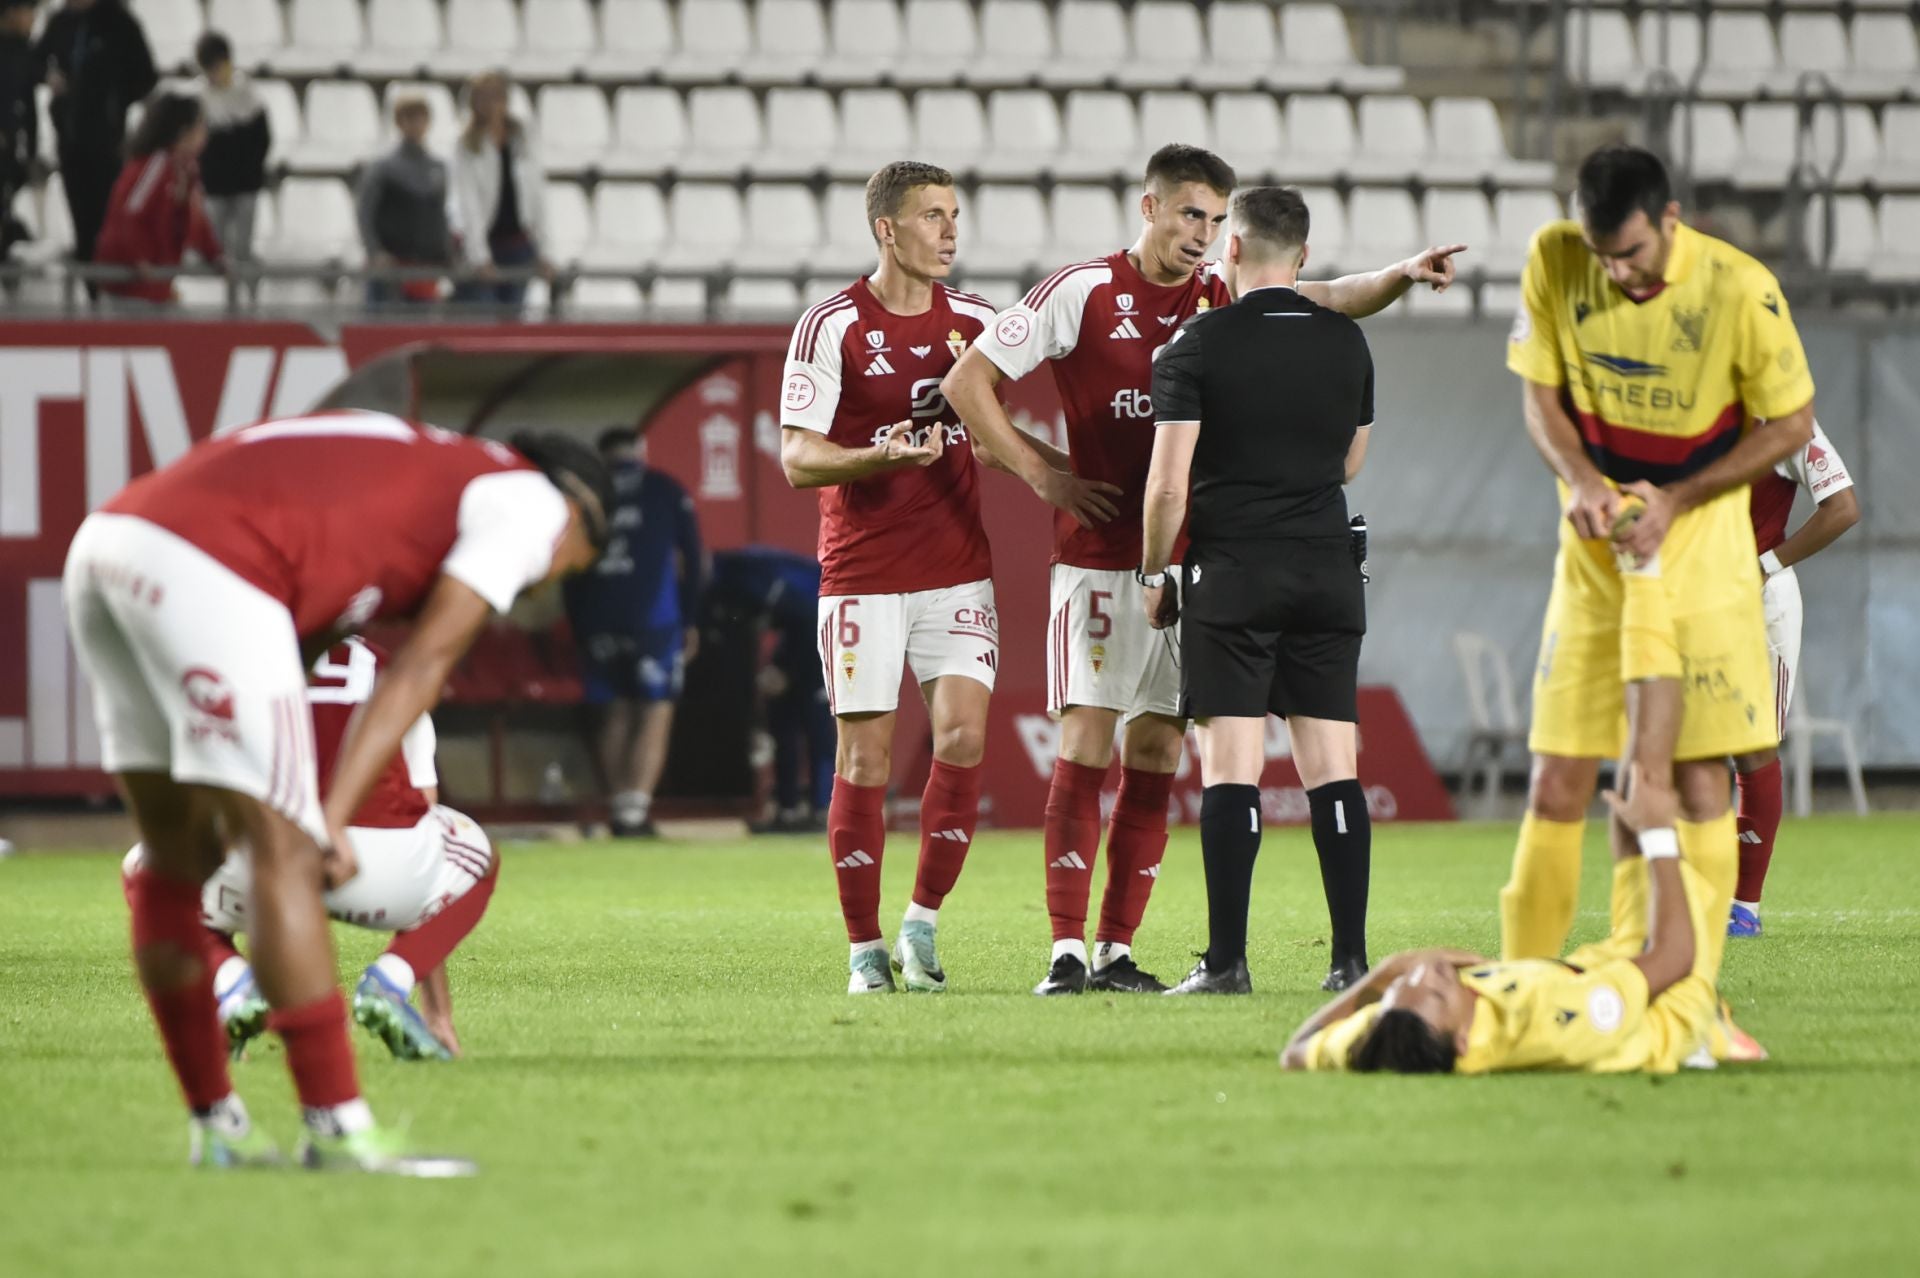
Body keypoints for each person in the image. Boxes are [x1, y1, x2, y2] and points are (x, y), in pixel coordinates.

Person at [945, 147, 1465, 997]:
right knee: (1084, 746)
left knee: (1155, 751)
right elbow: (970, 382)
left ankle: (1115, 951)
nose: (1204, 234)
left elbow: (1326, 298)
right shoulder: (1080, 291)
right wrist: (1046, 475)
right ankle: (1065, 951)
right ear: (1147, 208)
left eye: (1218, 220)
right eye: (1190, 214)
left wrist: (1404, 274)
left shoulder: (1221, 301)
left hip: (1194, 571)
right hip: (1102, 561)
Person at [64, 413, 611, 1173]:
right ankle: (338, 1130)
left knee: (172, 857)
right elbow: (419, 669)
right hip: (210, 561)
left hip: (108, 544)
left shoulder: (422, 483)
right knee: (283, 849)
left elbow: (305, 638)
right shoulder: (532, 504)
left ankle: (217, 1125)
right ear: (580, 511)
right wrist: (328, 818)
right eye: (575, 566)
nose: (552, 582)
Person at [780, 159, 1117, 995]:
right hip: (860, 575)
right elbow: (796, 458)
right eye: (932, 215)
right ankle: (864, 952)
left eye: (956, 214)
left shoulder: (974, 320)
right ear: (885, 229)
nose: (950, 231)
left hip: (956, 575)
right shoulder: (831, 326)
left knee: (963, 741)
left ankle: (922, 927)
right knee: (865, 760)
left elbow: (1002, 429)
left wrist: (1061, 475)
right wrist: (876, 453)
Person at [1499, 145, 1817, 999]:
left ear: (1670, 221)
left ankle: (1689, 994)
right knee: (1560, 772)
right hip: (1596, 555)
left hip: (1706, 549)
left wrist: (1677, 499)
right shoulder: (1554, 259)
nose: (1616, 272)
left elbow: (1791, 424)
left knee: (1699, 772)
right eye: (1602, 254)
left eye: (1631, 254)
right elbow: (1540, 397)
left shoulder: (1740, 288)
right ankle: (1523, 995)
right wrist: (1582, 482)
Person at [1137, 186, 1377, 997]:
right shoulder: (1349, 345)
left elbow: (1168, 485)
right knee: (1332, 771)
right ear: (1303, 257)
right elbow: (1349, 461)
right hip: (1325, 570)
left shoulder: (1194, 346)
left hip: (1234, 574)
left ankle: (1227, 962)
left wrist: (1150, 570)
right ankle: (1348, 961)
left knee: (1230, 771)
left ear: (1230, 250)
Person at [124, 636, 498, 1063]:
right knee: (479, 858)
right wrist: (438, 1013)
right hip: (373, 871)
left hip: (264, 864)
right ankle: (390, 982)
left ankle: (233, 986)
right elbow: (425, 816)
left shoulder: (240, 656)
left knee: (146, 872)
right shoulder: (392, 670)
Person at [1282, 764, 1720, 1075]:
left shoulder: (1387, 1034)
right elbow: (1675, 957)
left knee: (1637, 776)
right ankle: (1710, 1031)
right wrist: (1659, 834)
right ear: (1464, 1041)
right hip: (1667, 1001)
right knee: (1690, 784)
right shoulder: (1555, 1021)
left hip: (1590, 965)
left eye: (1405, 986)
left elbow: (1298, 1051)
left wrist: (1388, 974)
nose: (1424, 974)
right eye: (1434, 994)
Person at [1729, 421, 1859, 936]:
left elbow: (1843, 507)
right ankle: (1685, 899)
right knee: (1676, 747)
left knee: (1753, 746)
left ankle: (1744, 909)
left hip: (1757, 603)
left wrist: (1766, 563)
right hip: (1687, 597)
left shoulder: (1784, 421)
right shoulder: (1686, 401)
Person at [562, 427, 705, 838]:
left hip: (597, 615)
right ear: (641, 451)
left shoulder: (586, 493)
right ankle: (633, 811)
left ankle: (617, 805)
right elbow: (694, 558)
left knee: (614, 707)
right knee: (655, 707)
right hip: (653, 619)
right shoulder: (664, 488)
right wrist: (690, 617)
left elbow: (569, 563)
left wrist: (579, 622)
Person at [709, 547, 836, 834]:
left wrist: (788, 671)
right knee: (783, 722)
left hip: (827, 630)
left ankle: (823, 810)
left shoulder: (745, 579)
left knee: (817, 728)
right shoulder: (725, 584)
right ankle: (787, 809)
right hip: (800, 633)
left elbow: (809, 617)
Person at [35, 0, 157, 264]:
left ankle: (107, 282)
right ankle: (89, 284)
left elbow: (146, 76)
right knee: (81, 219)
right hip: (68, 137)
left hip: (107, 140)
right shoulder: (60, 22)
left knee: (106, 214)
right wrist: (50, 77)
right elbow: (36, 61)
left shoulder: (121, 24)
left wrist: (113, 95)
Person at [93, 91, 223, 306]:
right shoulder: (155, 166)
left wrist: (215, 255)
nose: (205, 132)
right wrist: (139, 260)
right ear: (183, 132)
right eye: (201, 125)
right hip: (130, 287)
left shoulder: (187, 170)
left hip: (158, 285)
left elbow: (196, 221)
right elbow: (129, 215)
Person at [449, 70, 547, 309]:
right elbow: (468, 202)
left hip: (519, 245)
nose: (490, 104)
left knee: (514, 314)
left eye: (495, 96)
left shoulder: (523, 138)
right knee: (485, 315)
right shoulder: (467, 145)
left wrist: (545, 251)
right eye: (483, 97)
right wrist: (479, 256)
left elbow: (538, 196)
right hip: (487, 243)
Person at [357, 96, 454, 307]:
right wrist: (375, 252)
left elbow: (440, 214)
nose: (416, 124)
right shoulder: (382, 168)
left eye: (421, 118)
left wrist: (446, 252)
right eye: (409, 118)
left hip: (425, 269)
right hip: (391, 269)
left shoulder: (438, 168)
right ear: (399, 122)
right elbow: (365, 214)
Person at [0, 0, 37, 259]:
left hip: (12, 140)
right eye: (28, 12)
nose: (32, 20)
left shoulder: (24, 49)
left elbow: (28, 98)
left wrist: (31, 145)